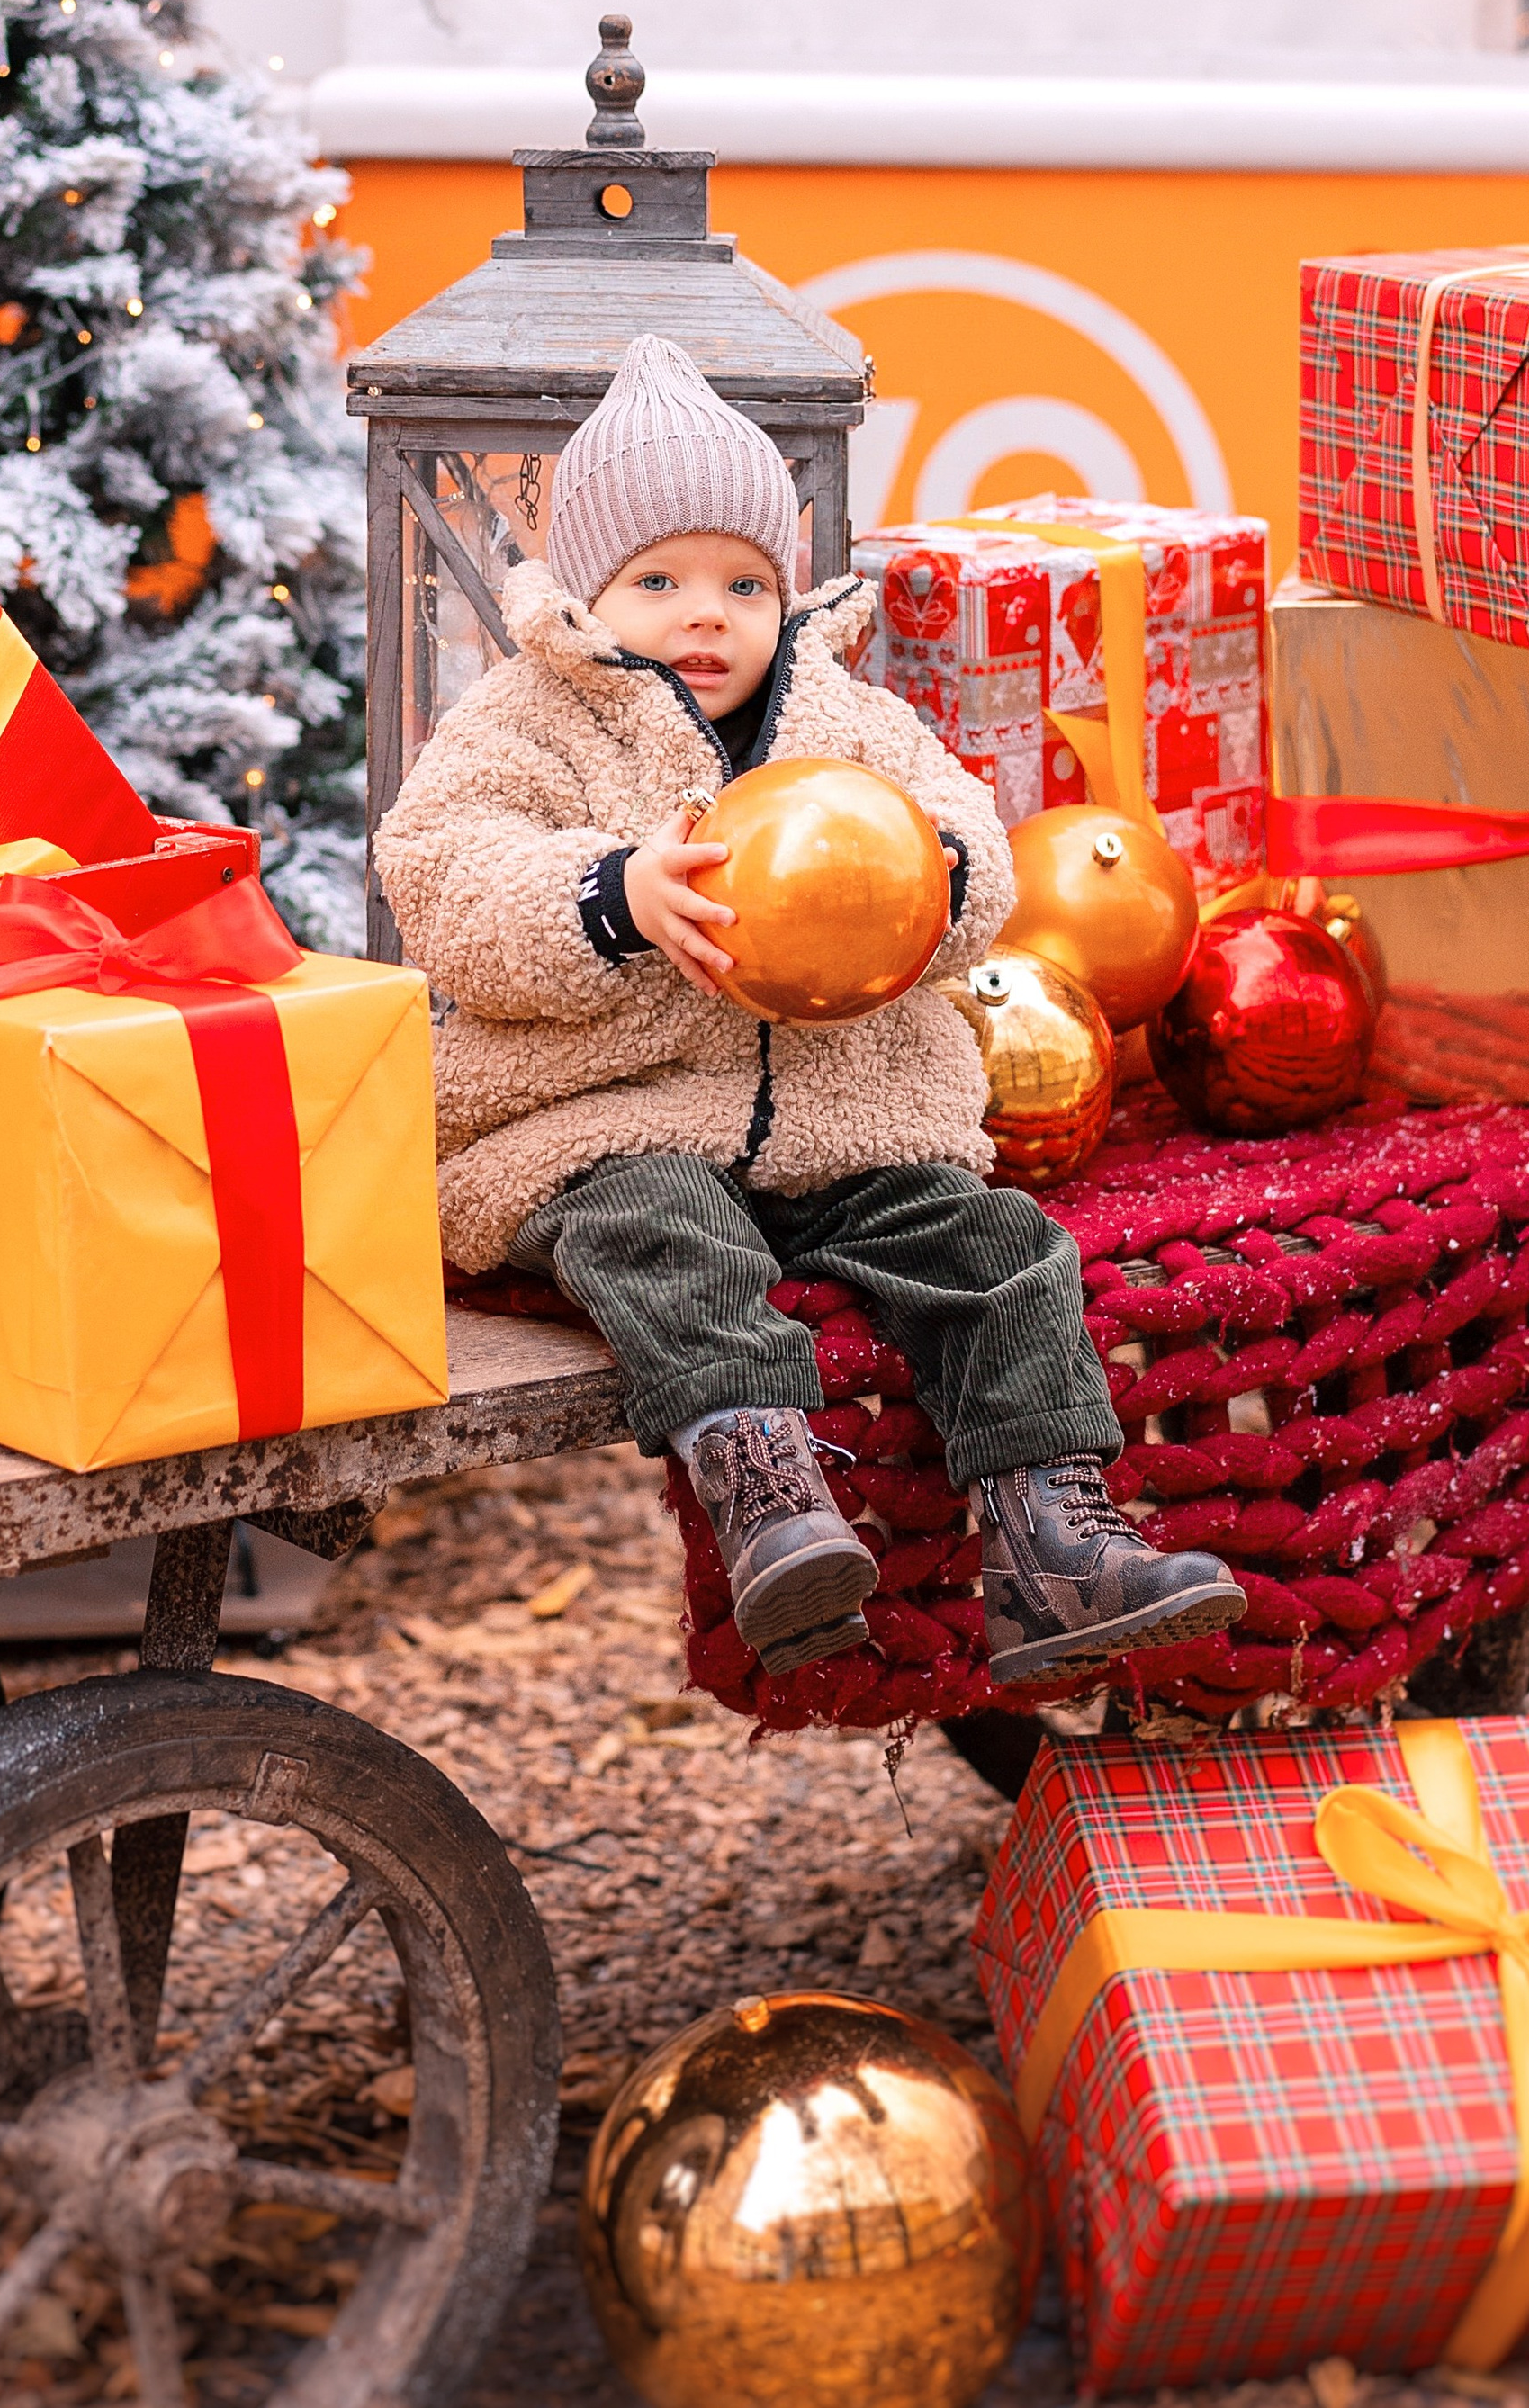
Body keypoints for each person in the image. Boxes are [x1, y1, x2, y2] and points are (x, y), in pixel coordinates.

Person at [375, 335, 1245, 1686]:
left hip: (844, 1120)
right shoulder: (528, 724)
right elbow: (447, 875)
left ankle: (1050, 1537)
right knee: (660, 1235)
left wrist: (933, 877)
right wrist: (614, 895)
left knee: (996, 1243)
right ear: (588, 595)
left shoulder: (846, 718)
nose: (705, 615)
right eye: (658, 582)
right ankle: (766, 1490)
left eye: (743, 582)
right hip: (614, 1119)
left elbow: (967, 833)